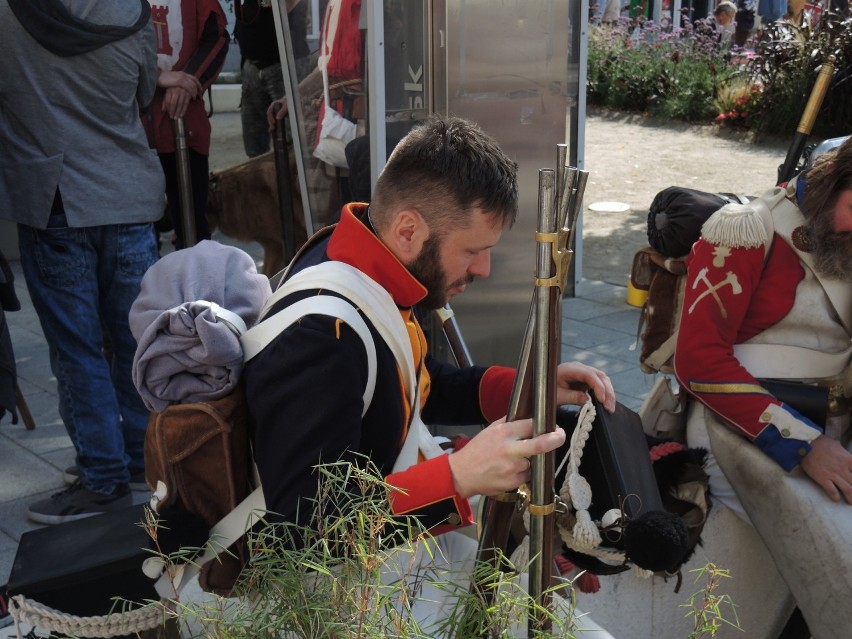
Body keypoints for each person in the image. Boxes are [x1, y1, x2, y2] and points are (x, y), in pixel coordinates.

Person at [244, 116, 617, 635]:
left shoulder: (371, 264)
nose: (483, 269)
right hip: (334, 595)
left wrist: (527, 387)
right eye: (472, 250)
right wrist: (460, 476)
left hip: (390, 551)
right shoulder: (319, 335)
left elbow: (415, 382)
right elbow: (306, 528)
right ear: (409, 229)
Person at [674, 136, 852, 638]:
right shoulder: (745, 230)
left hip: (832, 434)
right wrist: (804, 444)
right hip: (741, 435)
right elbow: (699, 362)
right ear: (826, 188)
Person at [0, 0, 165, 523]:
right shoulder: (130, 10)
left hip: (55, 198)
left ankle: (102, 475)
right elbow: (144, 94)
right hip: (128, 193)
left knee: (78, 349)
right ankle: (140, 458)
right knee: (136, 339)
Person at [143, 0, 229, 250]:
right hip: (132, 128)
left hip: (184, 124)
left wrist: (186, 83)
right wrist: (155, 76)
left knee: (192, 225)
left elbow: (216, 37)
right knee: (137, 231)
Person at [235, 0, 311, 158]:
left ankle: (294, 180)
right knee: (254, 145)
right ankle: (262, 179)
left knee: (294, 143)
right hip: (251, 63)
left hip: (285, 64)